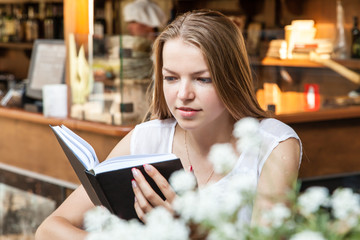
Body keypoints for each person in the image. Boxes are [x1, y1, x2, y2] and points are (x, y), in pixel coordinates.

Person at [35, 9, 301, 240]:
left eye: (202, 79)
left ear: (231, 78)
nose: (183, 94)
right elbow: (48, 230)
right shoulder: (145, 139)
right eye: (171, 78)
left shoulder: (272, 143)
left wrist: (196, 233)